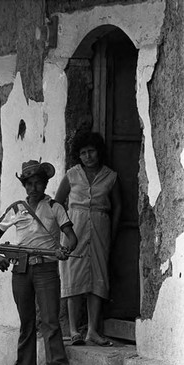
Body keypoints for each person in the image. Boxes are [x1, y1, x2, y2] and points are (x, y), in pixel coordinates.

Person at [0, 160, 78, 365]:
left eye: (38, 183)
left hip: (47, 268)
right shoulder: (17, 208)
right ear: (24, 186)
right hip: (21, 269)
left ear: (46, 184)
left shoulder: (55, 207)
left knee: (50, 320)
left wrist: (66, 250)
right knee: (26, 321)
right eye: (29, 184)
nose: (34, 187)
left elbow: (71, 236)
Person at [55, 131, 121, 347]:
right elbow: (57, 203)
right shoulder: (72, 175)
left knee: (98, 276)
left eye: (91, 151)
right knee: (73, 276)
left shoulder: (110, 176)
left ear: (98, 152)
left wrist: (111, 232)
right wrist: (64, 230)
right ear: (78, 156)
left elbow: (118, 207)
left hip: (100, 227)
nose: (87, 156)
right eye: (83, 153)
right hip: (75, 228)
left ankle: (92, 331)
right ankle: (74, 330)